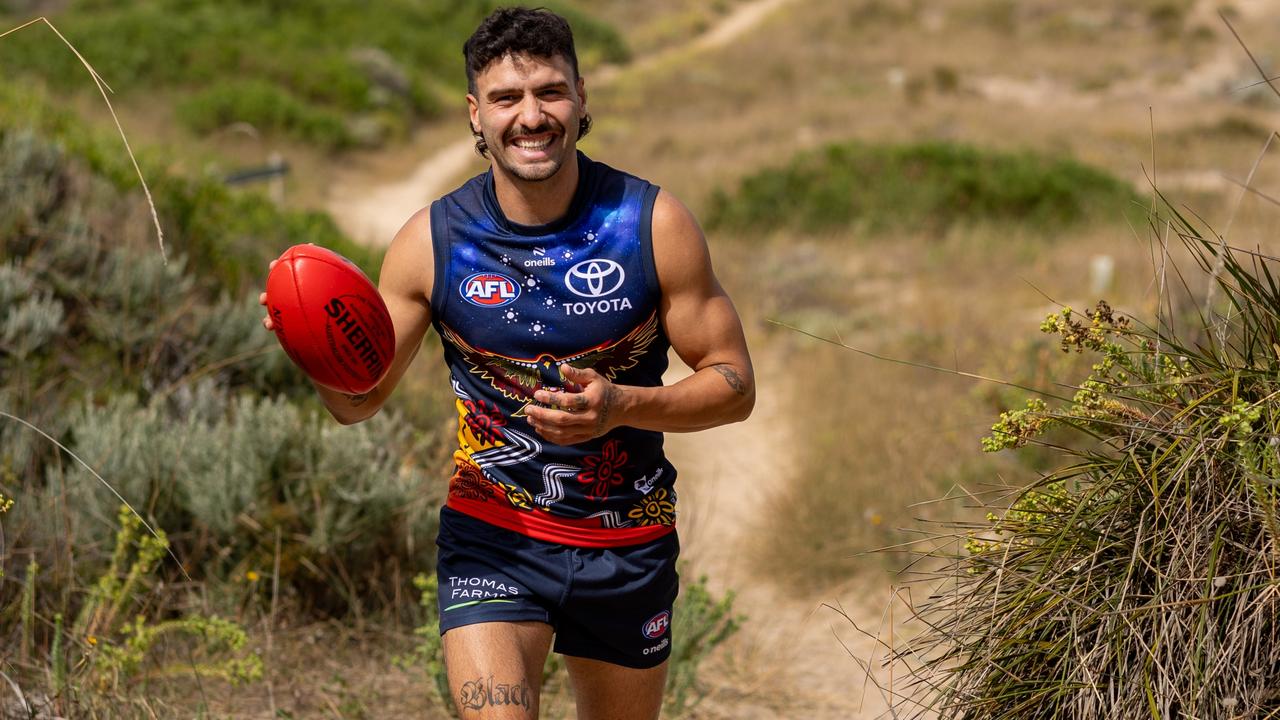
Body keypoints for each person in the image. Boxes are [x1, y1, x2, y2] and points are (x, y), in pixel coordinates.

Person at [262, 7, 753, 718]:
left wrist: (621, 405)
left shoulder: (650, 223)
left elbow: (735, 386)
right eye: (506, 98)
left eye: (550, 92)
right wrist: (309, 341)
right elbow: (356, 401)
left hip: (628, 540)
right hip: (494, 538)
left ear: (582, 97)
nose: (532, 116)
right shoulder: (432, 242)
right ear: (475, 114)